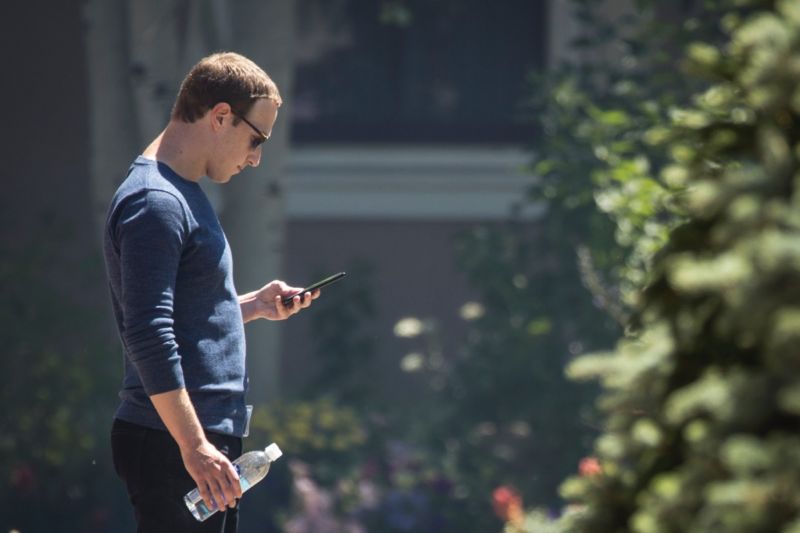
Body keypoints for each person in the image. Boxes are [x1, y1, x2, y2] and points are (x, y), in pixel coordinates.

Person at [103, 52, 317, 533]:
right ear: (221, 116)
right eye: (255, 139)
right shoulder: (156, 201)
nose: (256, 157)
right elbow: (148, 332)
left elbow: (181, 316)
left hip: (192, 439)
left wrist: (252, 306)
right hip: (174, 440)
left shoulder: (181, 191)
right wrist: (194, 446)